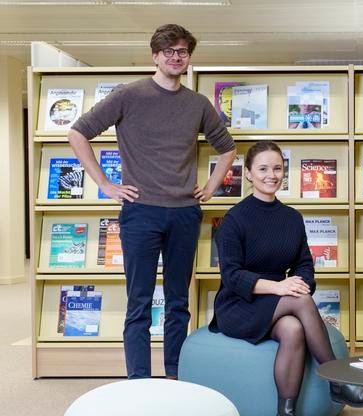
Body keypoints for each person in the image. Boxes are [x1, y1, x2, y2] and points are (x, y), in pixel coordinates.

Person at [68, 24, 237, 379]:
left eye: (183, 52)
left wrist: (209, 187)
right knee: (139, 303)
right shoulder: (128, 95)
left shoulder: (197, 103)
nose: (176, 58)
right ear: (155, 56)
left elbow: (227, 149)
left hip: (184, 214)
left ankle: (174, 374)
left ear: (189, 58)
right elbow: (77, 132)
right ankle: (139, 380)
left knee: (178, 303)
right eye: (169, 52)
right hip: (140, 214)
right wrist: (105, 184)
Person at [211, 141, 363, 416]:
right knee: (299, 301)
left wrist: (299, 283)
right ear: (248, 173)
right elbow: (231, 276)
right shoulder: (234, 219)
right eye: (262, 169)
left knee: (292, 328)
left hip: (280, 302)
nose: (270, 175)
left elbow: (304, 264)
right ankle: (338, 379)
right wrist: (280, 287)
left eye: (277, 168)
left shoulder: (291, 218)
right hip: (239, 304)